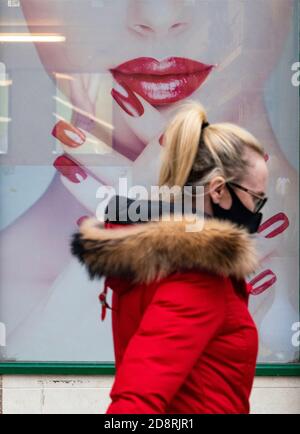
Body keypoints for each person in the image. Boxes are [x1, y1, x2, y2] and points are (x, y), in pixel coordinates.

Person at [71, 101, 269, 414]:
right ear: (218, 190)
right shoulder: (197, 274)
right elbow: (135, 404)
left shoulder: (155, 258)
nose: (258, 213)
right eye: (256, 199)